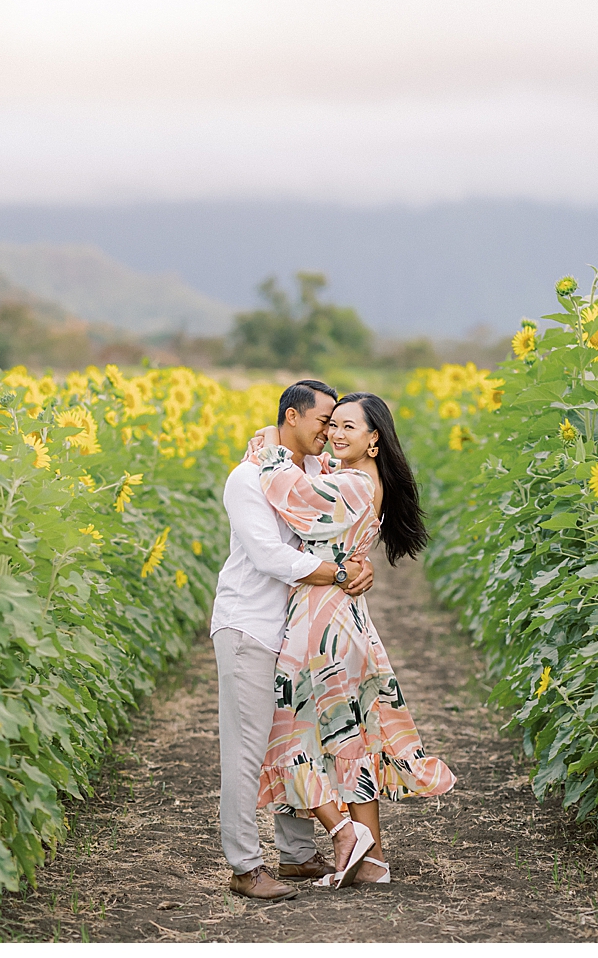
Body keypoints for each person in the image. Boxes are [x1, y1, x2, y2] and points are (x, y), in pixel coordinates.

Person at [247, 391, 455, 889]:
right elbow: (316, 476)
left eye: (348, 427)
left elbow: (295, 497)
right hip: (342, 613)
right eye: (332, 424)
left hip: (321, 619)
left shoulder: (354, 484)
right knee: (347, 735)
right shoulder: (359, 478)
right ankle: (374, 860)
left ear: (374, 438)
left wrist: (267, 442)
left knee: (290, 729)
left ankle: (345, 833)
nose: (335, 435)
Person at [212, 379, 375, 901]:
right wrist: (340, 571)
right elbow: (270, 557)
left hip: (290, 630)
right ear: (291, 416)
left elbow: (345, 522)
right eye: (323, 419)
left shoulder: (312, 474)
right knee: (247, 748)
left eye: (335, 422)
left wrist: (359, 564)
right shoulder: (247, 478)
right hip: (248, 624)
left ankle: (297, 855)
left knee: (296, 733)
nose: (329, 430)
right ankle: (243, 865)